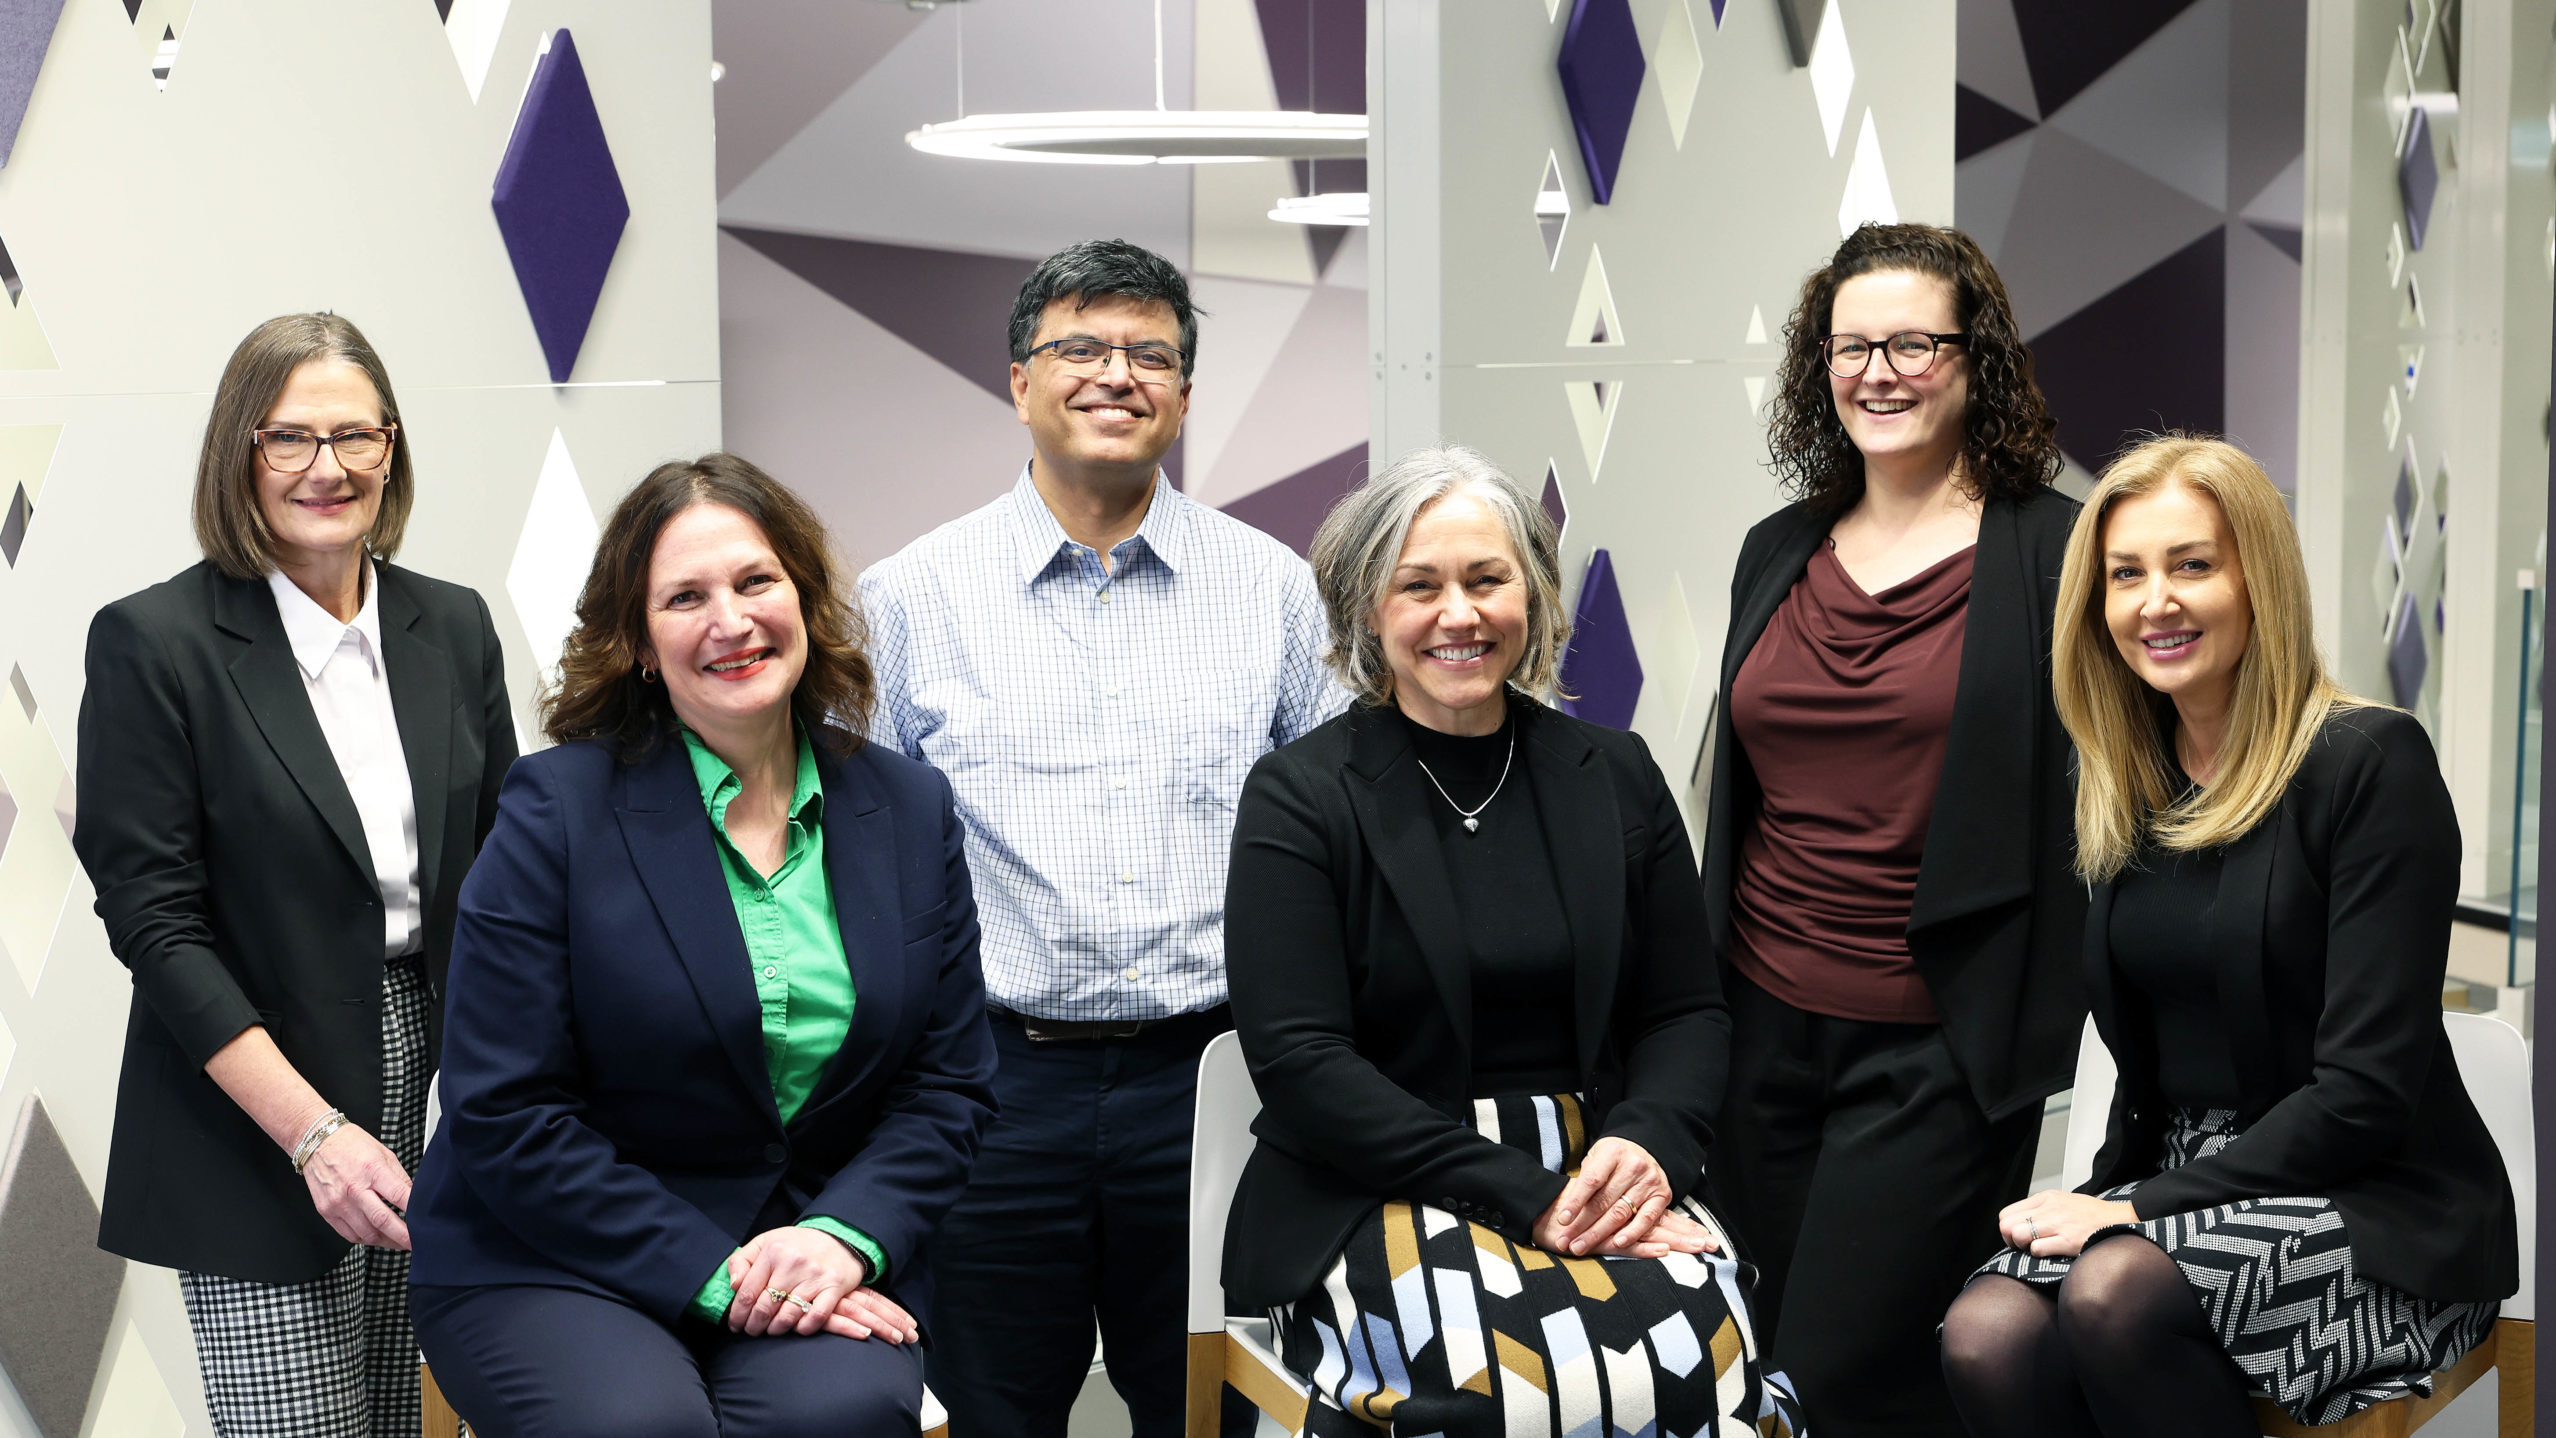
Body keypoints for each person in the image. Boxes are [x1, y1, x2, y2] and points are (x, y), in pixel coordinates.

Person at [403, 454, 998, 1438]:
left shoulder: (907, 806)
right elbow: (504, 1108)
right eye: (685, 596)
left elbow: (949, 1084)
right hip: (555, 1256)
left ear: (803, 597)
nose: (731, 621)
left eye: (756, 581)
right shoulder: (555, 812)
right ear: (638, 640)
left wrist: (841, 1241)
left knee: (837, 1418)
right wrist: (715, 1276)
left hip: (805, 1243)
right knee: (639, 1428)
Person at [1221, 445, 1806, 1437]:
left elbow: (1685, 1009)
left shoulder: (1615, 774)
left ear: (1532, 596)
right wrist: (1528, 1196)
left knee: (1703, 1360)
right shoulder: (1301, 795)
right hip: (1384, 1186)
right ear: (1371, 610)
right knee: (1516, 1383)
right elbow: (1303, 1063)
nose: (1460, 613)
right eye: (1420, 586)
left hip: (1604, 1173)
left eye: (1488, 579)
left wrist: (1649, 1144)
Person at [859, 237, 1343, 1436]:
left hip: (1215, 1083)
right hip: (990, 1086)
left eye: (1151, 354)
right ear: (1019, 379)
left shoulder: (1274, 591)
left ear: (1184, 395)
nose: (1116, 374)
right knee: (987, 1409)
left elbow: (1343, 835)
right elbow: (852, 861)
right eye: (1079, 347)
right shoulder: (910, 599)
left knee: (1208, 1410)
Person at [1939, 435, 2516, 1435]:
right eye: (2126, 574)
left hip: (2372, 1200)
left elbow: (2367, 1091)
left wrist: (2136, 1211)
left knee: (2113, 1293)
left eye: (2191, 565)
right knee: (1986, 1331)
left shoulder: (2369, 766)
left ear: (2261, 580)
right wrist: (2127, 1196)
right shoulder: (2125, 782)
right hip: (2172, 1184)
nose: (2154, 600)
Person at [73, 313, 517, 1438]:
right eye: (291, 439)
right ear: (242, 453)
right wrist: (312, 1133)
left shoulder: (452, 626)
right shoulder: (154, 643)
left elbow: (507, 869)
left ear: (392, 448)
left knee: (403, 1419)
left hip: (434, 1079)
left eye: (357, 436)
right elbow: (156, 923)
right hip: (253, 1107)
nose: (329, 468)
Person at [1696, 222, 2086, 1437]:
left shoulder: (2057, 551)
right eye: (1850, 345)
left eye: (1914, 341)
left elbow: (2111, 793)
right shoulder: (1779, 548)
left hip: (1940, 1046)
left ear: (1977, 359)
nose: (1880, 370)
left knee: (1825, 1371)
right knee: (1789, 1355)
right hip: (1758, 1028)